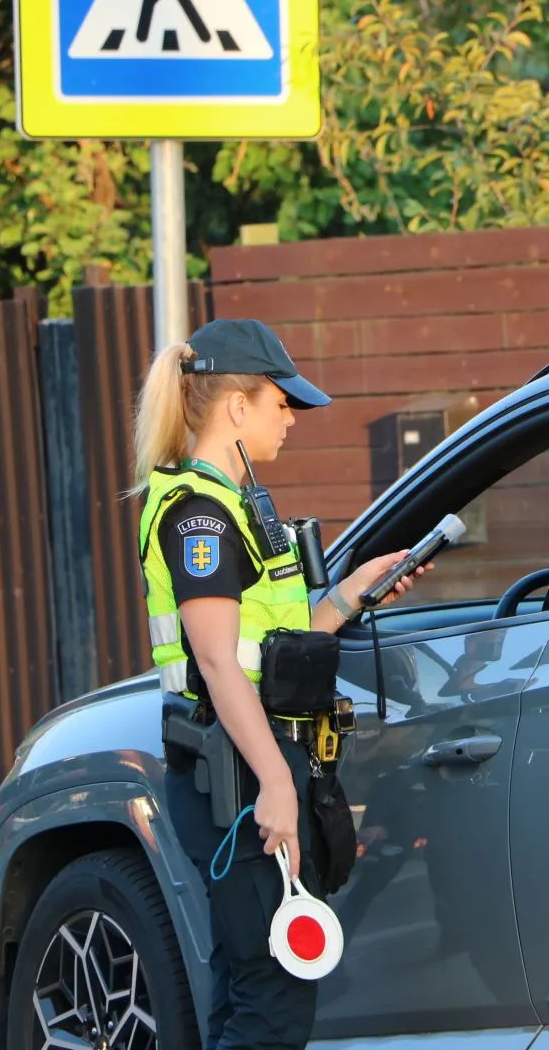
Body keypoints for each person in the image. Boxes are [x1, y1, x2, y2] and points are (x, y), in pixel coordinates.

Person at [132, 317, 427, 1050]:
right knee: (273, 994)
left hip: (249, 764)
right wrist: (276, 785)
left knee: (253, 984)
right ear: (237, 405)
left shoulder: (232, 505)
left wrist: (353, 593)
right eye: (281, 403)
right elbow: (217, 662)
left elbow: (272, 649)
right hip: (232, 774)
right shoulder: (199, 514)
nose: (291, 419)